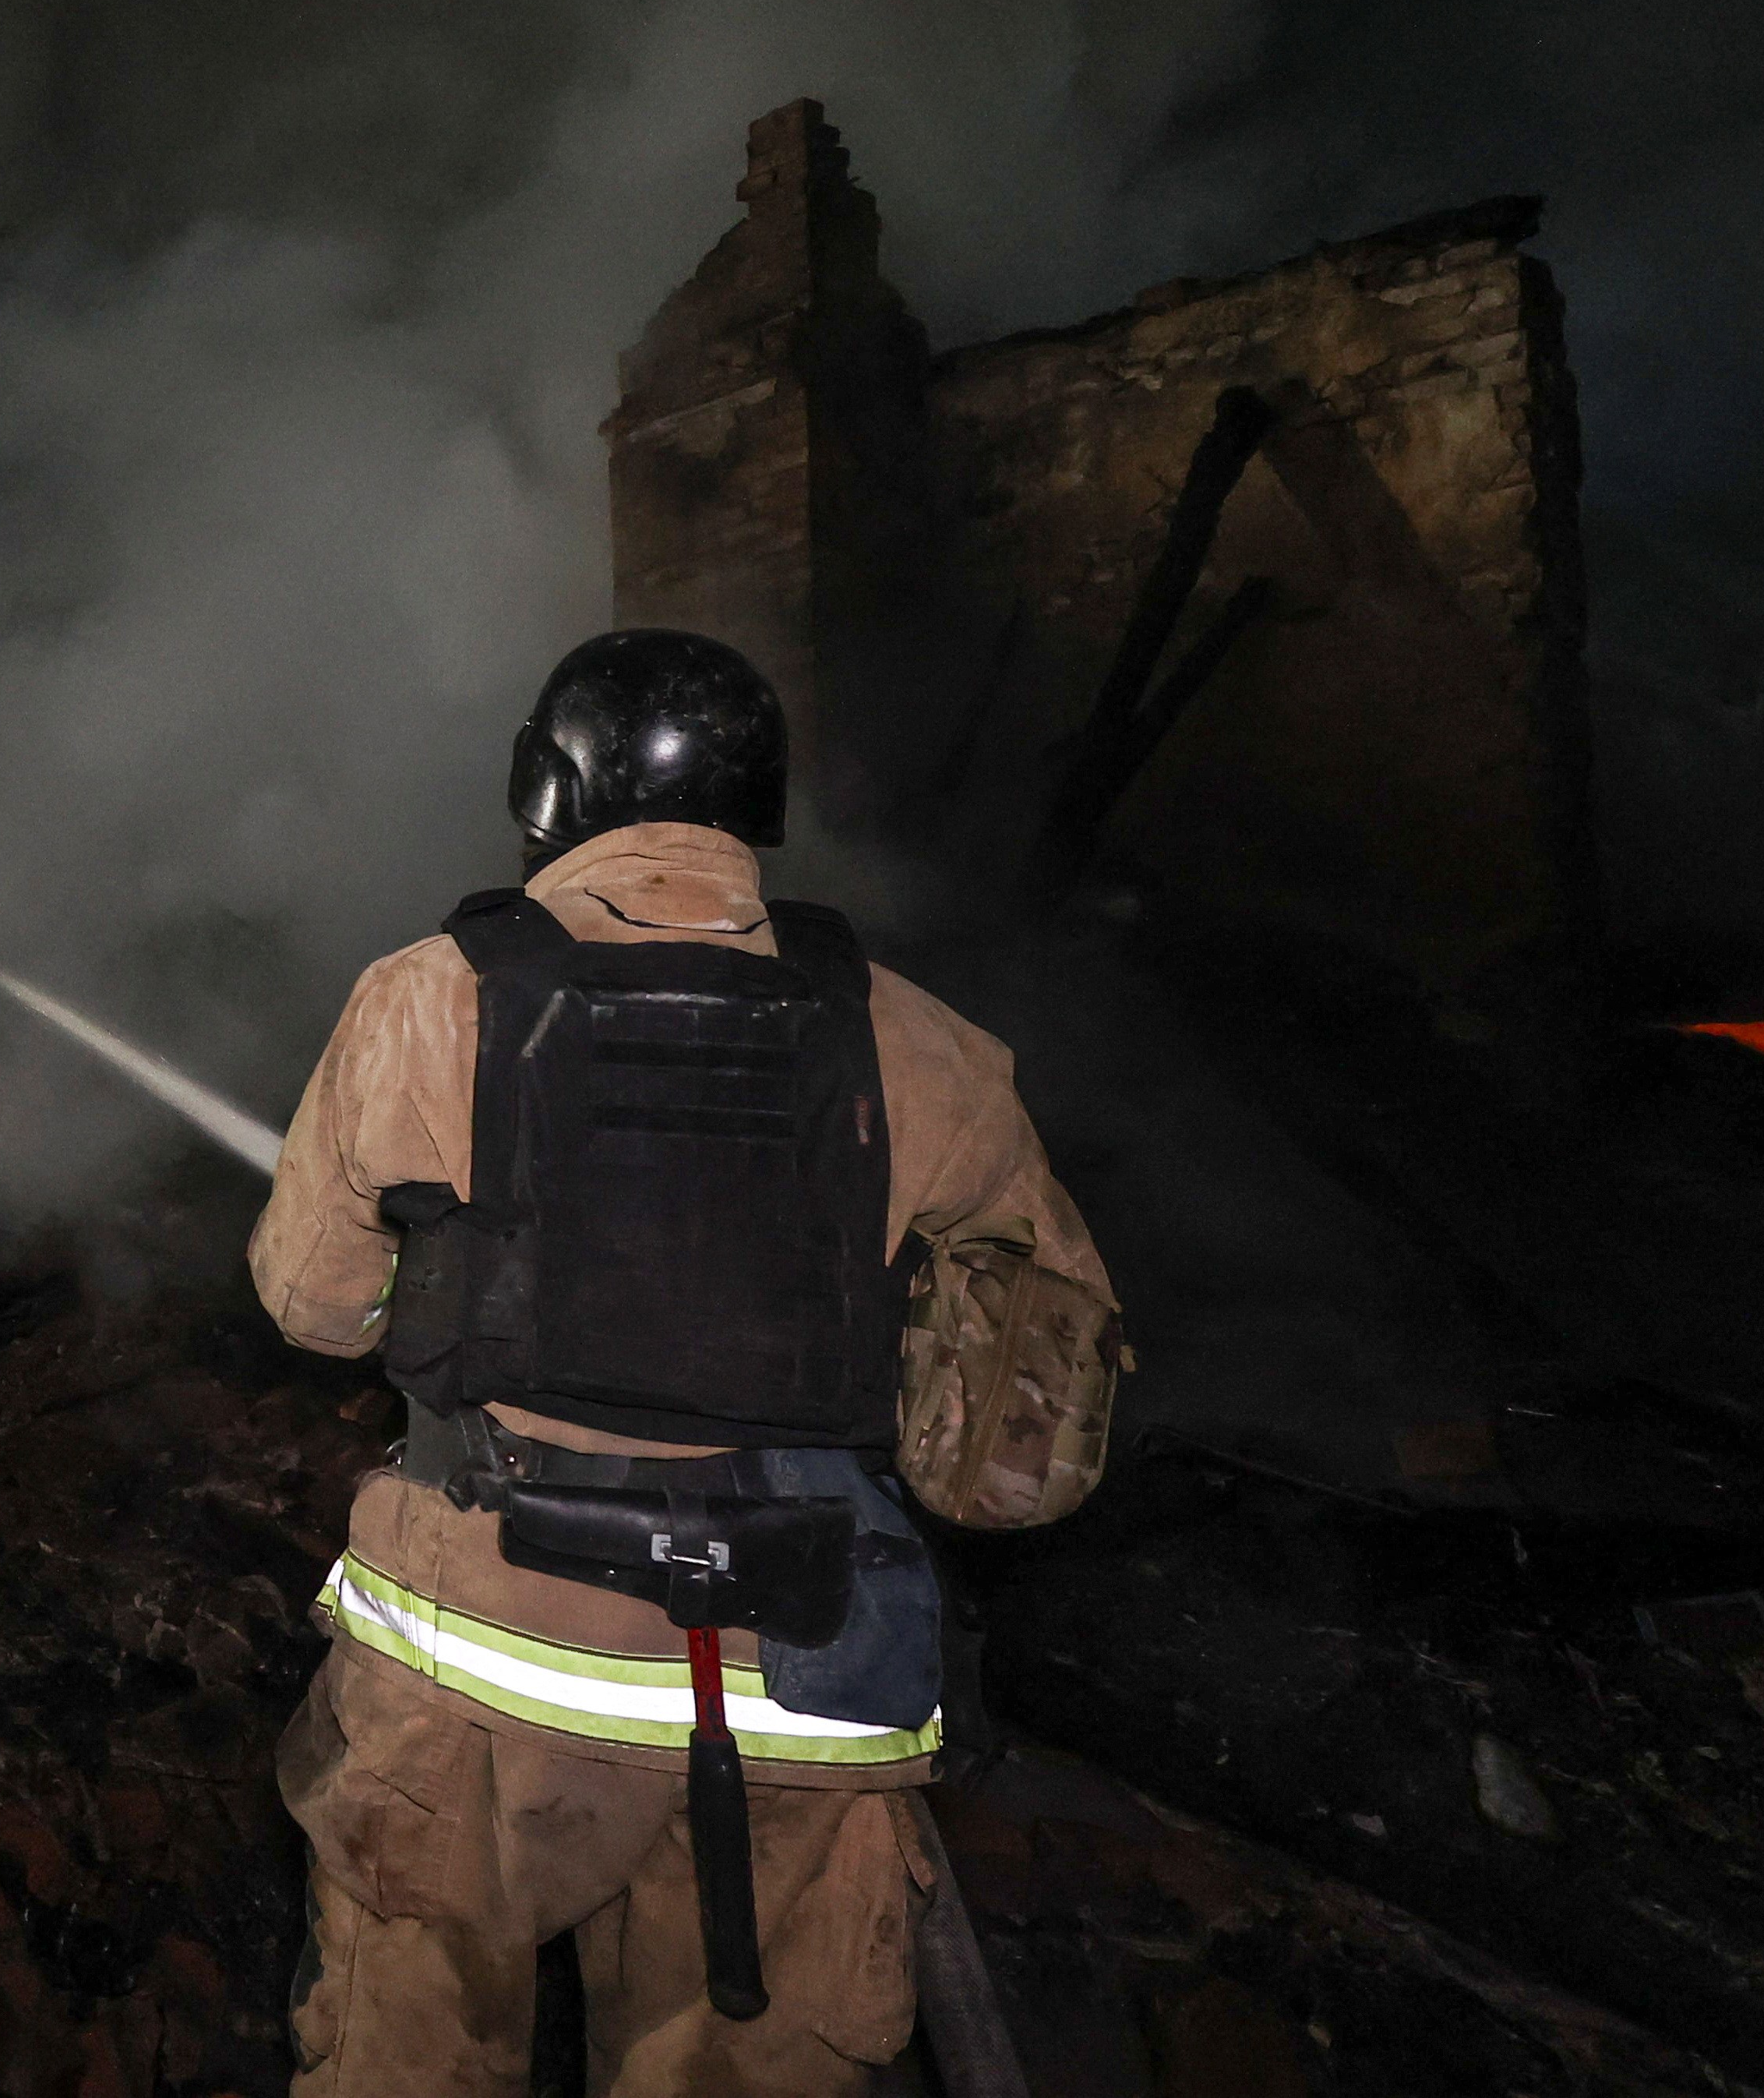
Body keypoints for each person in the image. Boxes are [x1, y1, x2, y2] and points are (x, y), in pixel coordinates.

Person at [254, 630, 1123, 2097]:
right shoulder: (916, 1042)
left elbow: (310, 1306)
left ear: (547, 788)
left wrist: (441, 1276)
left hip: (472, 1686)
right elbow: (1021, 1447)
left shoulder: (424, 999)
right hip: (796, 1684)